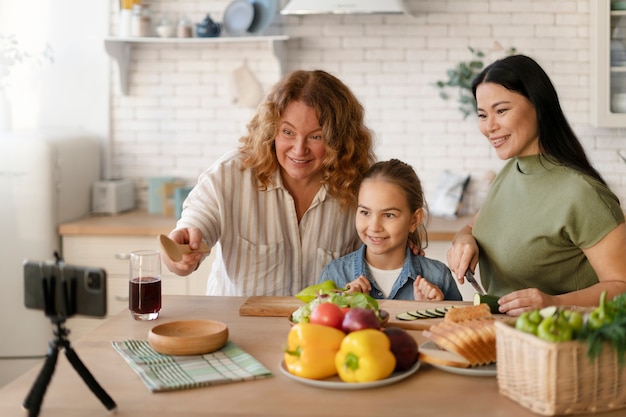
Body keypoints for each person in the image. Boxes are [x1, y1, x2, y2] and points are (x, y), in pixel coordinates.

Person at [162, 69, 376, 296]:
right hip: (240, 327)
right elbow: (193, 227)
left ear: (339, 140)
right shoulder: (229, 176)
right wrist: (180, 254)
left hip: (322, 328)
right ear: (271, 130)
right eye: (288, 132)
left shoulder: (360, 185)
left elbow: (382, 252)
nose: (299, 149)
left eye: (316, 136)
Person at [446, 54, 626, 316]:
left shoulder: (582, 193)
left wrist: (554, 304)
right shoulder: (511, 172)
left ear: (538, 106)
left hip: (562, 343)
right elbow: (472, 226)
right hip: (504, 337)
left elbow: (621, 288)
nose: (489, 126)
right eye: (482, 115)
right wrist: (464, 241)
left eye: (501, 110)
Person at [318, 159, 462, 301]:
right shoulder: (335, 275)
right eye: (365, 212)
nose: (374, 227)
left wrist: (430, 311)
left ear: (414, 220)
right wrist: (345, 308)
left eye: (389, 215)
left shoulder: (439, 277)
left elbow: (461, 324)